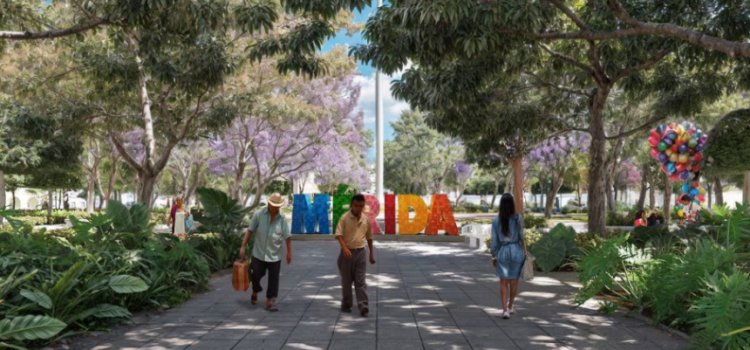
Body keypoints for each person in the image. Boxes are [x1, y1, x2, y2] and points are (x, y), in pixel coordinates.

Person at [239, 193, 292, 312]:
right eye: (274, 205)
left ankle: (269, 302)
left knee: (274, 279)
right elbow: (249, 231)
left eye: (278, 206)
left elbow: (287, 236)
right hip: (259, 253)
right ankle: (255, 291)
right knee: (256, 274)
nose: (276, 208)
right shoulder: (258, 215)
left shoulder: (282, 218)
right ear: (269, 204)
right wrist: (243, 246)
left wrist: (289, 252)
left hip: (275, 254)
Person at [335, 194, 375, 317]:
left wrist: (371, 255)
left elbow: (369, 237)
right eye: (356, 205)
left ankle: (363, 305)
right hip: (347, 254)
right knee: (347, 281)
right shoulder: (344, 218)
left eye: (361, 206)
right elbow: (338, 235)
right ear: (352, 204)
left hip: (361, 253)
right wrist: (345, 248)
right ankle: (346, 304)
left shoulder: (365, 219)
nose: (358, 208)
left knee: (360, 280)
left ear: (363, 206)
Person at [490, 193, 527, 320]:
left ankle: (505, 310)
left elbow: (495, 242)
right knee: (514, 281)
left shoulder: (496, 221)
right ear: (512, 204)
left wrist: (493, 255)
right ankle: (511, 306)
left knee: (503, 282)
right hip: (517, 250)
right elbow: (522, 237)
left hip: (503, 251)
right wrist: (525, 252)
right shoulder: (518, 218)